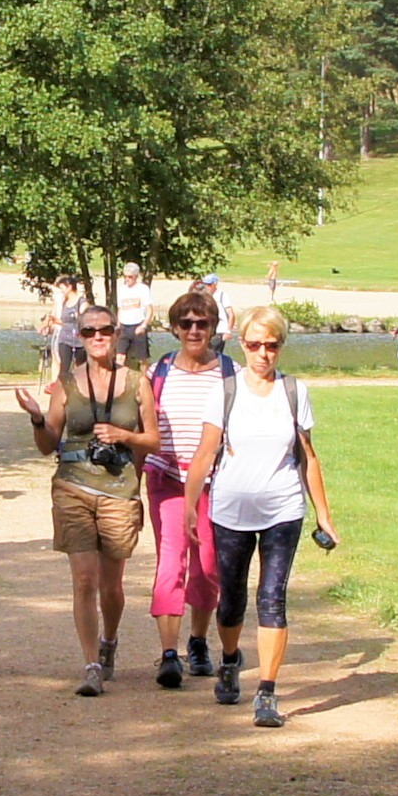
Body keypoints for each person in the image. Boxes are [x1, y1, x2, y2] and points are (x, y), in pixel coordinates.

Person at [181, 307, 339, 727]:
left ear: (281, 347)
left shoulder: (294, 391)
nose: (263, 354)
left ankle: (266, 692)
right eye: (254, 345)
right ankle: (230, 660)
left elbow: (308, 457)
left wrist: (323, 514)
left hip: (283, 510)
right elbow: (204, 453)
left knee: (272, 598)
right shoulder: (225, 391)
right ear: (242, 345)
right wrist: (190, 508)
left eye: (271, 345)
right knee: (231, 599)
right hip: (230, 510)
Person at [14, 304, 160, 696]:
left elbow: (153, 440)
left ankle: (109, 641)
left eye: (105, 330)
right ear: (78, 337)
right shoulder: (66, 384)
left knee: (111, 587)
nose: (97, 337)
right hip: (72, 487)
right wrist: (35, 418)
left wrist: (123, 436)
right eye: (89, 331)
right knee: (83, 579)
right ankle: (91, 663)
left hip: (118, 490)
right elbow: (48, 445)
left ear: (116, 334)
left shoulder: (136, 382)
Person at [142, 293, 232, 687]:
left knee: (209, 567)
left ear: (213, 327)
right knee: (170, 563)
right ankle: (168, 653)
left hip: (216, 484)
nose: (194, 330)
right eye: (186, 323)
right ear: (175, 327)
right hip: (167, 481)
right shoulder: (160, 371)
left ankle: (197, 640)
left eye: (202, 323)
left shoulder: (230, 373)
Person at [115, 261, 154, 370]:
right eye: (125, 276)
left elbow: (150, 310)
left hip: (138, 326)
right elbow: (120, 309)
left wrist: (144, 325)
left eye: (130, 277)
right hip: (124, 327)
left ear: (136, 276)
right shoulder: (122, 290)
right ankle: (119, 382)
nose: (127, 279)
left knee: (142, 359)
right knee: (119, 357)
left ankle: (145, 381)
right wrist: (119, 325)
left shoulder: (143, 289)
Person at [203, 274, 234, 355]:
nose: (207, 286)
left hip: (219, 331)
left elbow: (231, 314)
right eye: (205, 284)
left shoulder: (222, 296)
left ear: (215, 284)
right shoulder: (205, 296)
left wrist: (228, 331)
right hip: (208, 331)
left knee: (215, 354)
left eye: (209, 284)